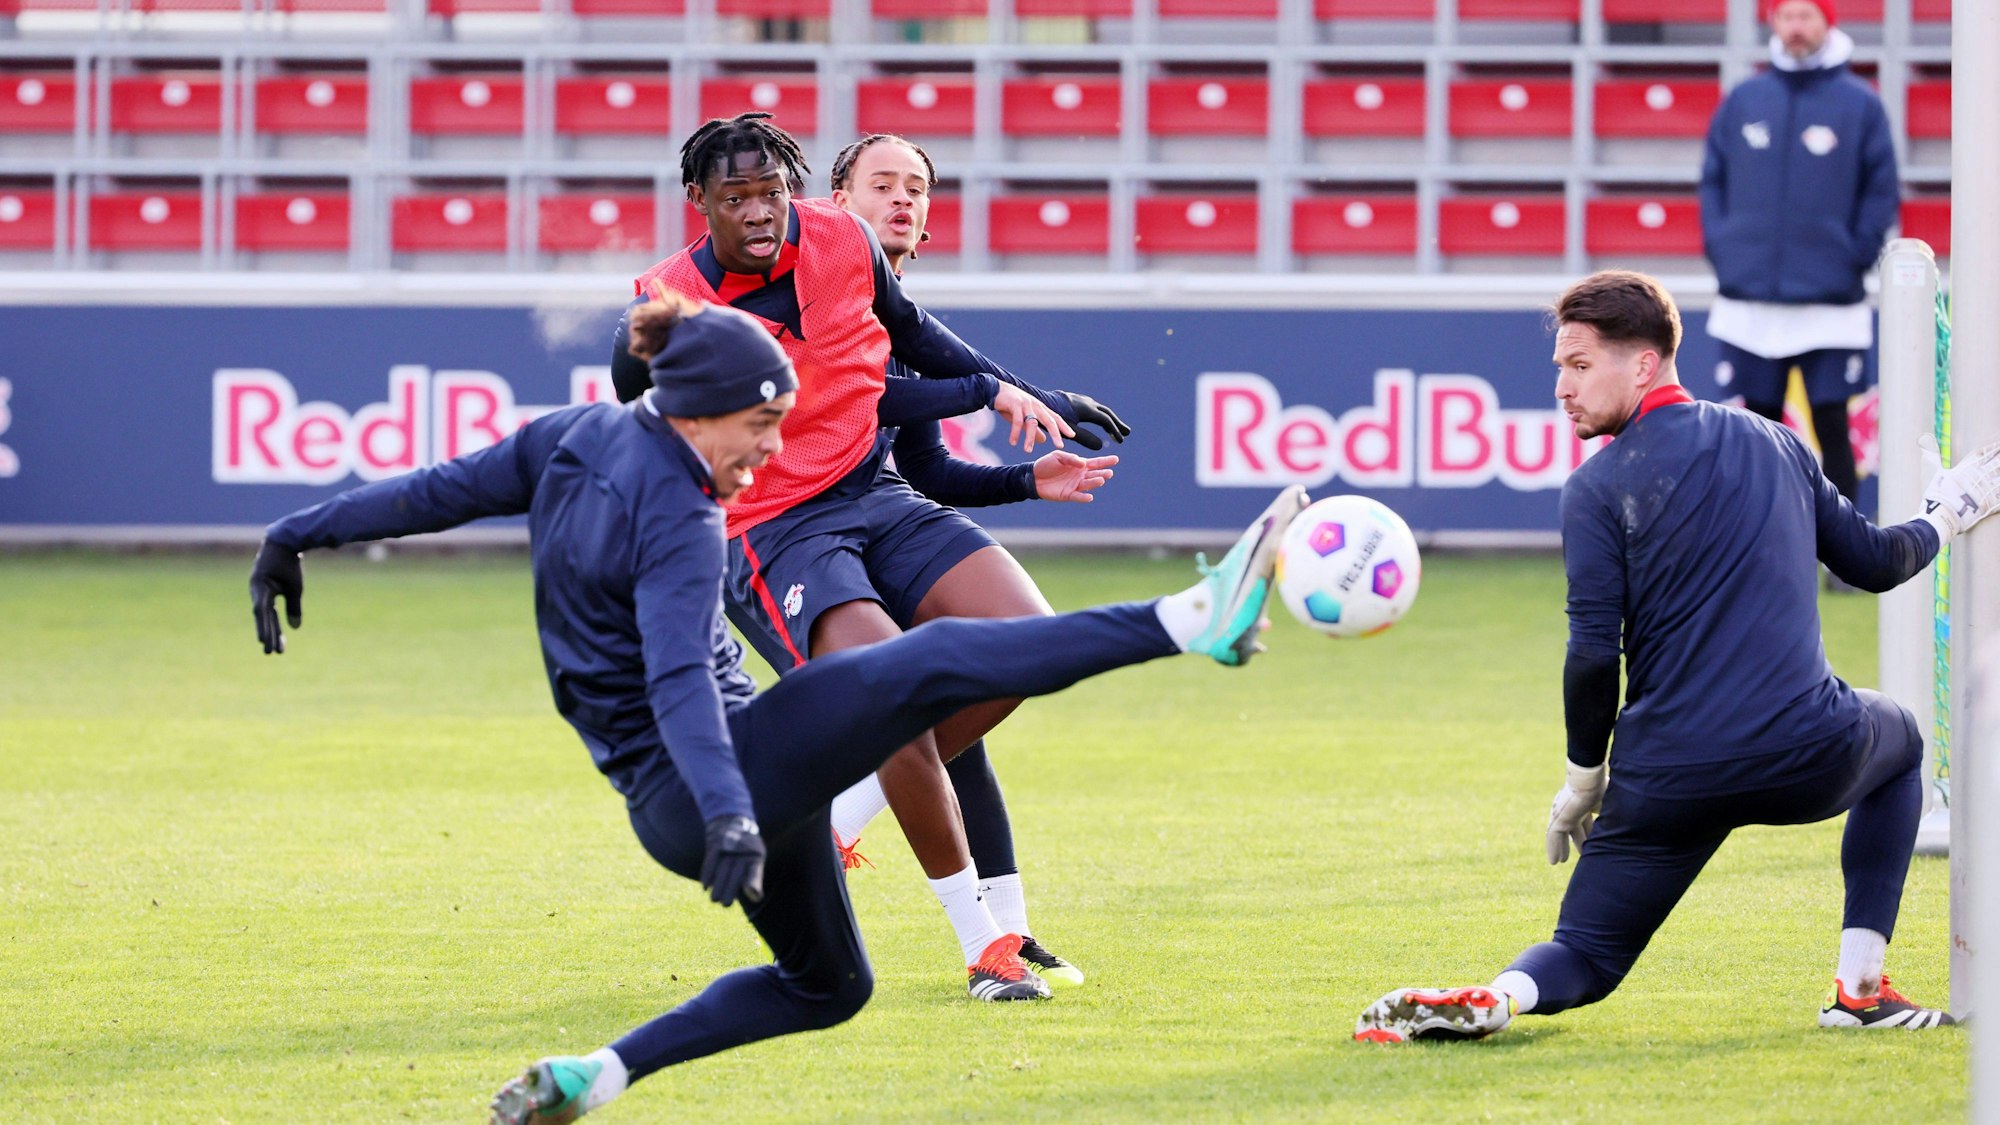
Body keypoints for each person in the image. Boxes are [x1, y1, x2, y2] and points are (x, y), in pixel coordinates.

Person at [245, 295, 1308, 1123]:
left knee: (825, 987)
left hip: (702, 793)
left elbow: (427, 493)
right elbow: (673, 677)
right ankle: (1190, 617)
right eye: (759, 427)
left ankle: (596, 1077)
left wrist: (293, 531)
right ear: (695, 409)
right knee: (925, 665)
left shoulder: (569, 437)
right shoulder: (680, 515)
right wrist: (727, 814)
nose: (766, 452)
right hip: (714, 783)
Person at [1353, 270, 2000, 1044]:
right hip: (1806, 748)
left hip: (1668, 775)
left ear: (1645, 364)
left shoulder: (1594, 488)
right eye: (1561, 365)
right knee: (1899, 739)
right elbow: (1875, 562)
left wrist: (1583, 782)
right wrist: (1946, 513)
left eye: (1579, 365)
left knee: (1584, 953)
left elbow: (1593, 654)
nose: (1561, 385)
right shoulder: (1779, 444)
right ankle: (1858, 989)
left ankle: (1504, 995)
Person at [612, 112, 1132, 1001]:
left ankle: (840, 805)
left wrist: (1029, 400)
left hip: (874, 496)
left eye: (772, 191)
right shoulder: (669, 302)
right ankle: (987, 948)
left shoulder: (842, 243)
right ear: (699, 204)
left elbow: (918, 344)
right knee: (898, 701)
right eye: (735, 197)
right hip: (772, 529)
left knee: (1027, 641)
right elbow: (631, 401)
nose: (760, 210)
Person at [818, 131, 1119, 991]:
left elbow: (927, 468)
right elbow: (859, 394)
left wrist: (1033, 478)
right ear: (837, 204)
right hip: (798, 526)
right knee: (929, 719)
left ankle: (997, 925)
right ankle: (987, 942)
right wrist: (992, 387)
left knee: (1004, 664)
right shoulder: (806, 291)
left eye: (917, 186)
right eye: (883, 183)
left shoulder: (906, 316)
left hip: (883, 508)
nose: (903, 198)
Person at [1698, 0, 1898, 523]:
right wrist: (1725, 251)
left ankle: (1848, 553)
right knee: (1755, 428)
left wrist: (1853, 257)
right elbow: (1712, 181)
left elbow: (1881, 192)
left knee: (1832, 423)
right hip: (1750, 301)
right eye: (1786, 16)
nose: (1795, 27)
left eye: (1806, 15)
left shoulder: (1860, 104)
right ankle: (1758, 546)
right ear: (1773, 23)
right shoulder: (1745, 99)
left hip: (1830, 302)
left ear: (1827, 22)